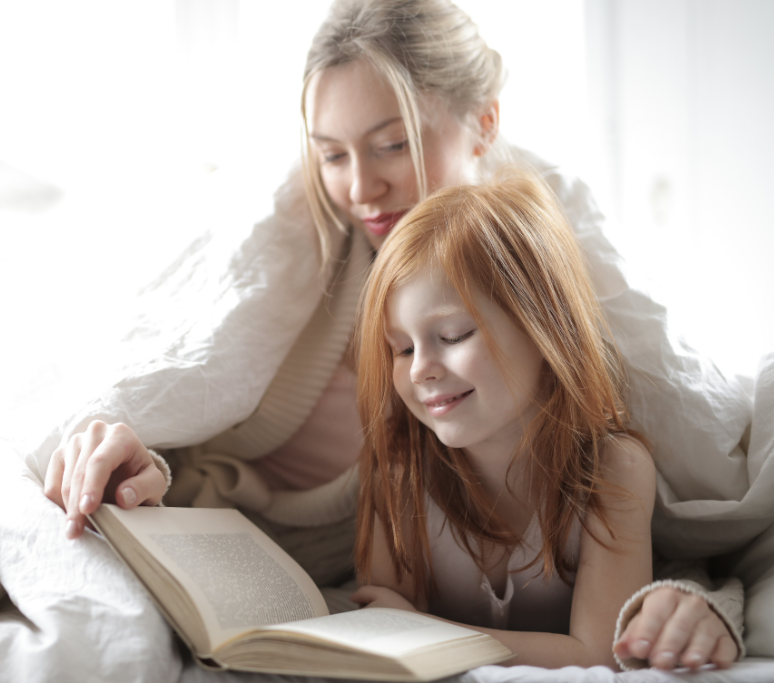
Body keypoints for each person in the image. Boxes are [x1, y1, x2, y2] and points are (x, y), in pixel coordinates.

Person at [39, 0, 744, 671]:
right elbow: (174, 388)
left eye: (392, 144)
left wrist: (706, 596)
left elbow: (708, 501)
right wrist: (146, 458)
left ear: (485, 124)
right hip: (222, 547)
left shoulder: (537, 258)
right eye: (331, 155)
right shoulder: (306, 264)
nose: (361, 189)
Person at [352, 174, 655, 668]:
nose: (419, 368)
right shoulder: (400, 473)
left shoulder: (614, 470)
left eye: (452, 335)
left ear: (543, 324)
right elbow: (379, 630)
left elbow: (600, 653)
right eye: (402, 348)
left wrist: (417, 630)